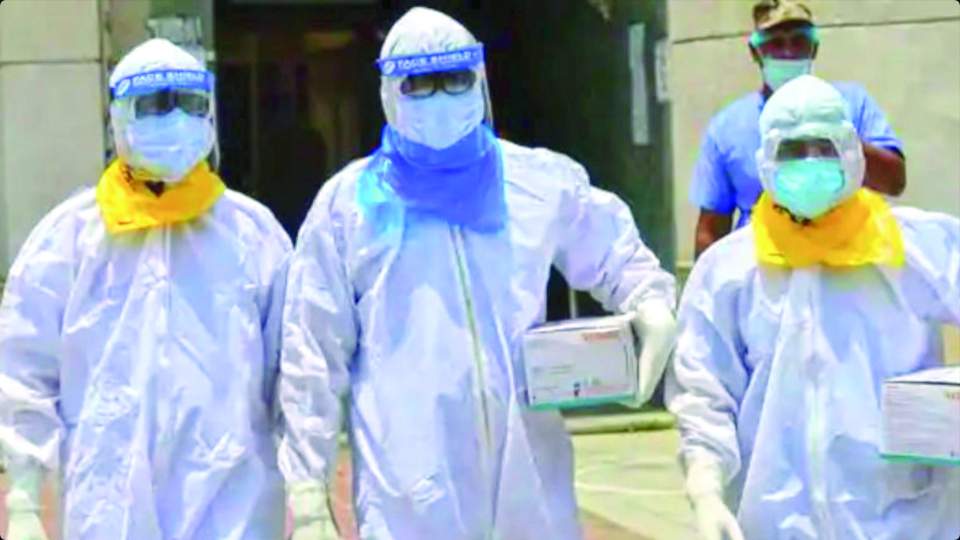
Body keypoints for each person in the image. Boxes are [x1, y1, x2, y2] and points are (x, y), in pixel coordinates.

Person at [277, 7, 678, 540]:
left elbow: (614, 254)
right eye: (419, 83)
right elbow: (312, 352)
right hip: (410, 496)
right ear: (388, 91)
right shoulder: (351, 207)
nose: (439, 97)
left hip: (531, 483)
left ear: (480, 79)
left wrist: (652, 304)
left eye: (455, 78)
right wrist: (307, 492)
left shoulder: (536, 183)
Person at [0, 39, 291, 539]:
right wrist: (24, 497)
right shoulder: (69, 237)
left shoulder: (253, 234)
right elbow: (22, 367)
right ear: (119, 116)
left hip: (234, 509)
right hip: (108, 509)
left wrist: (309, 494)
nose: (173, 118)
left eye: (188, 103)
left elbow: (293, 374)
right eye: (155, 105)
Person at [667, 74, 960, 540]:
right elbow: (704, 390)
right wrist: (705, 487)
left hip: (910, 523)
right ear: (765, 161)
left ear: (851, 150)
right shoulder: (730, 270)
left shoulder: (916, 248)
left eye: (823, 148)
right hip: (774, 527)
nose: (810, 164)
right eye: (792, 151)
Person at [691, 0, 906, 258]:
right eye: (775, 43)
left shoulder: (852, 103)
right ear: (755, 52)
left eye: (799, 40)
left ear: (814, 47)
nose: (789, 52)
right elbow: (711, 227)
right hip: (766, 273)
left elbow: (895, 182)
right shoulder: (726, 127)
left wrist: (837, 136)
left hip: (850, 263)